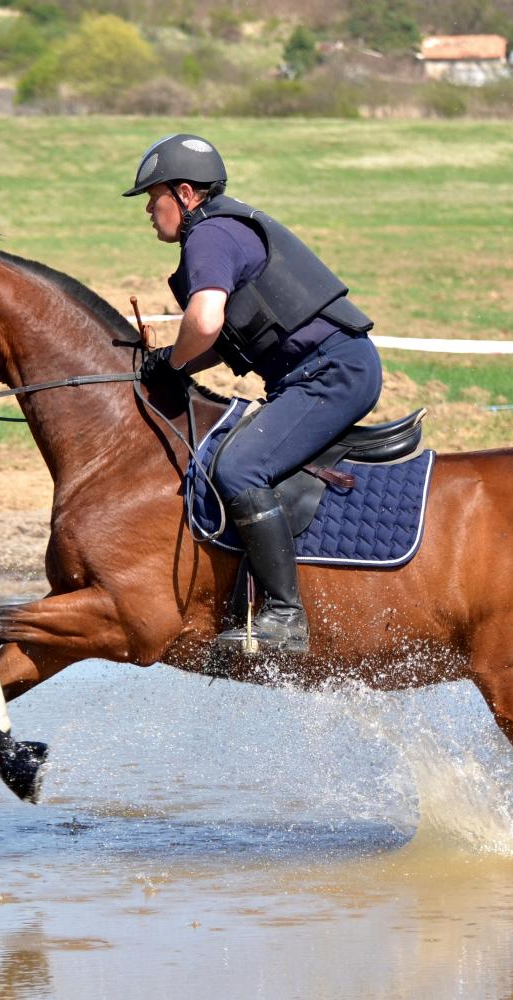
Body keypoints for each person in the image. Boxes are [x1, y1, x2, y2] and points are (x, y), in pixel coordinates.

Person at [126, 133, 383, 654]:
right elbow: (223, 341)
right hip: (322, 370)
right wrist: (177, 363)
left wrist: (171, 361)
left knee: (240, 468)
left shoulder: (210, 236)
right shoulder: (222, 228)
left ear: (184, 194)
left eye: (153, 198)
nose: (149, 212)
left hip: (331, 372)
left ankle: (286, 616)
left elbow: (203, 319)